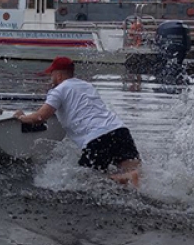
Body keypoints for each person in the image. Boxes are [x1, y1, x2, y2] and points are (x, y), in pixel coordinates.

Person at [14, 56, 142, 186]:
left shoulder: (58, 90)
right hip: (119, 131)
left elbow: (40, 117)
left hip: (97, 139)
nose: (50, 77)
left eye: (51, 74)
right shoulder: (87, 86)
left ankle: (116, 180)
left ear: (58, 75)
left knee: (86, 181)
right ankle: (129, 179)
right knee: (132, 174)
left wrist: (22, 117)